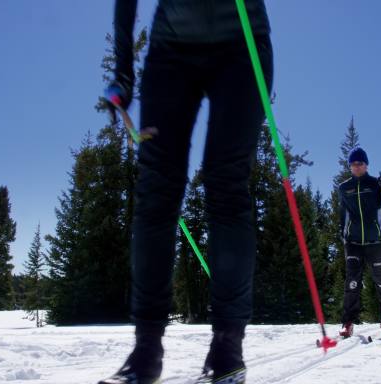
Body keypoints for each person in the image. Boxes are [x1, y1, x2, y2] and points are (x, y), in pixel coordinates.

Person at [100, 1, 272, 383]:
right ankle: (146, 349)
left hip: (243, 43)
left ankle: (228, 346)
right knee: (156, 190)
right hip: (171, 49)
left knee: (226, 186)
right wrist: (123, 71)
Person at [338, 147, 381, 338]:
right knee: (352, 282)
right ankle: (348, 322)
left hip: (375, 241)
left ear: (366, 165)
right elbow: (342, 214)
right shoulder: (344, 188)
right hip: (353, 241)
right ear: (350, 166)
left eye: (360, 163)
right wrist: (343, 234)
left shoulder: (376, 185)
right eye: (353, 164)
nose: (357, 167)